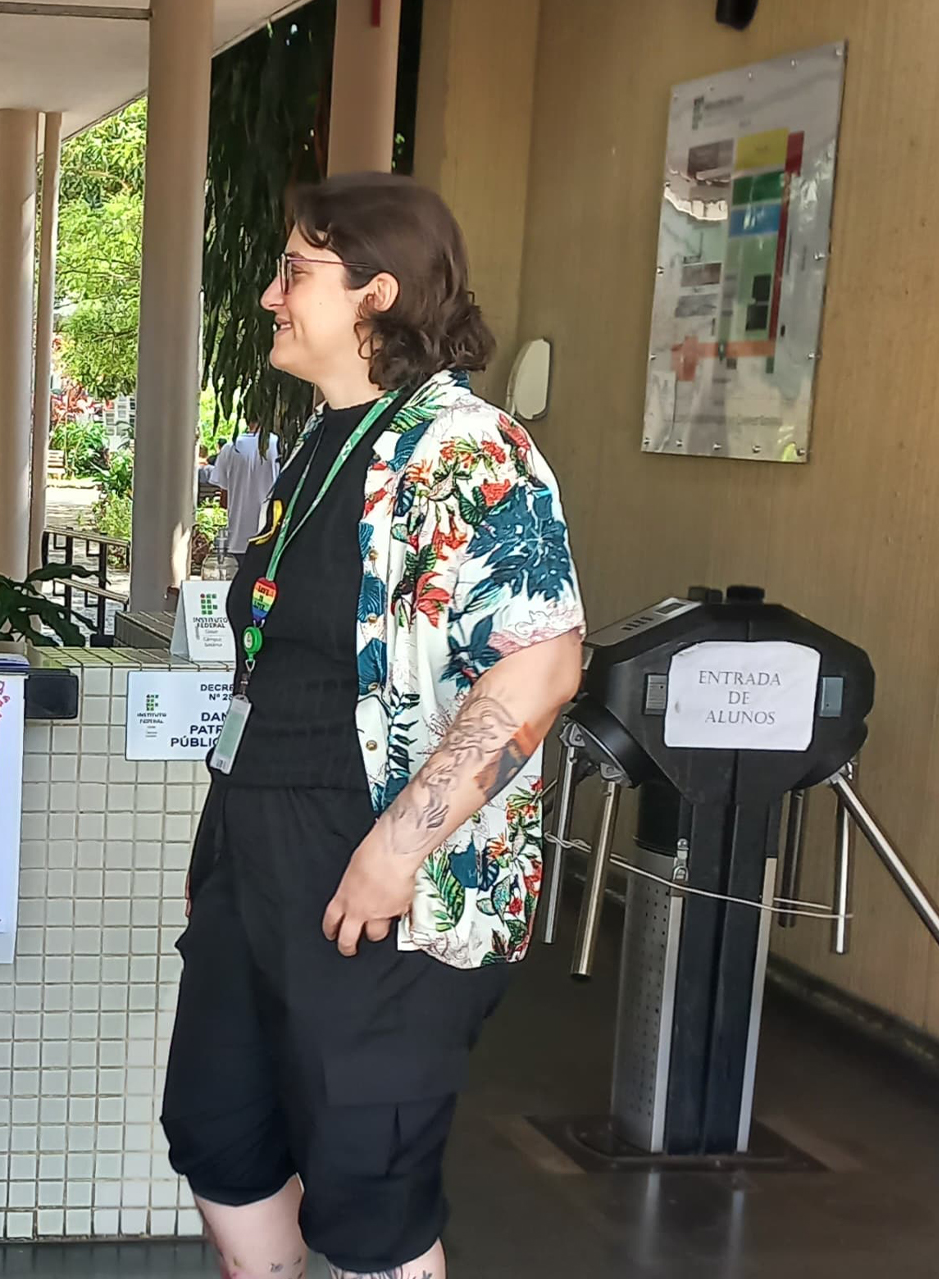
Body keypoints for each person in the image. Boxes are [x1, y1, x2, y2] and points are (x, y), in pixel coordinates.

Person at [159, 172, 584, 1279]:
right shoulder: (320, 445)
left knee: (366, 1188)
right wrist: (227, 851)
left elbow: (542, 664)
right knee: (218, 1133)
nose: (268, 295)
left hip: (379, 868)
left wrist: (403, 844)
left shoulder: (469, 445)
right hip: (262, 854)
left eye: (295, 271)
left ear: (376, 295)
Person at [210, 419, 283, 570]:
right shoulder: (279, 446)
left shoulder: (231, 448)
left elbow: (224, 500)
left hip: (238, 538)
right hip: (270, 535)